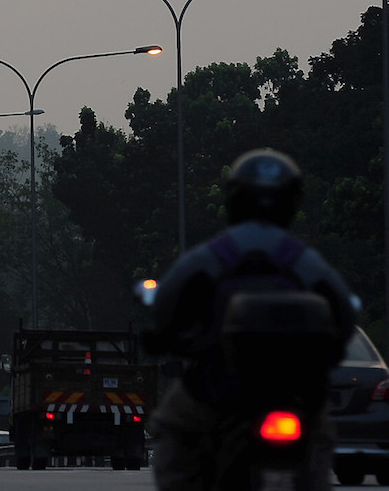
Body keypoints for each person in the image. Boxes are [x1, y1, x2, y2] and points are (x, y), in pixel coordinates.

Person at [145, 148, 357, 491]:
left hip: (220, 393)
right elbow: (345, 316)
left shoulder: (213, 256)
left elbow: (166, 307)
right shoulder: (303, 261)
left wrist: (164, 337)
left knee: (172, 427)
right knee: (319, 439)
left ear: (233, 200)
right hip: (298, 393)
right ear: (292, 201)